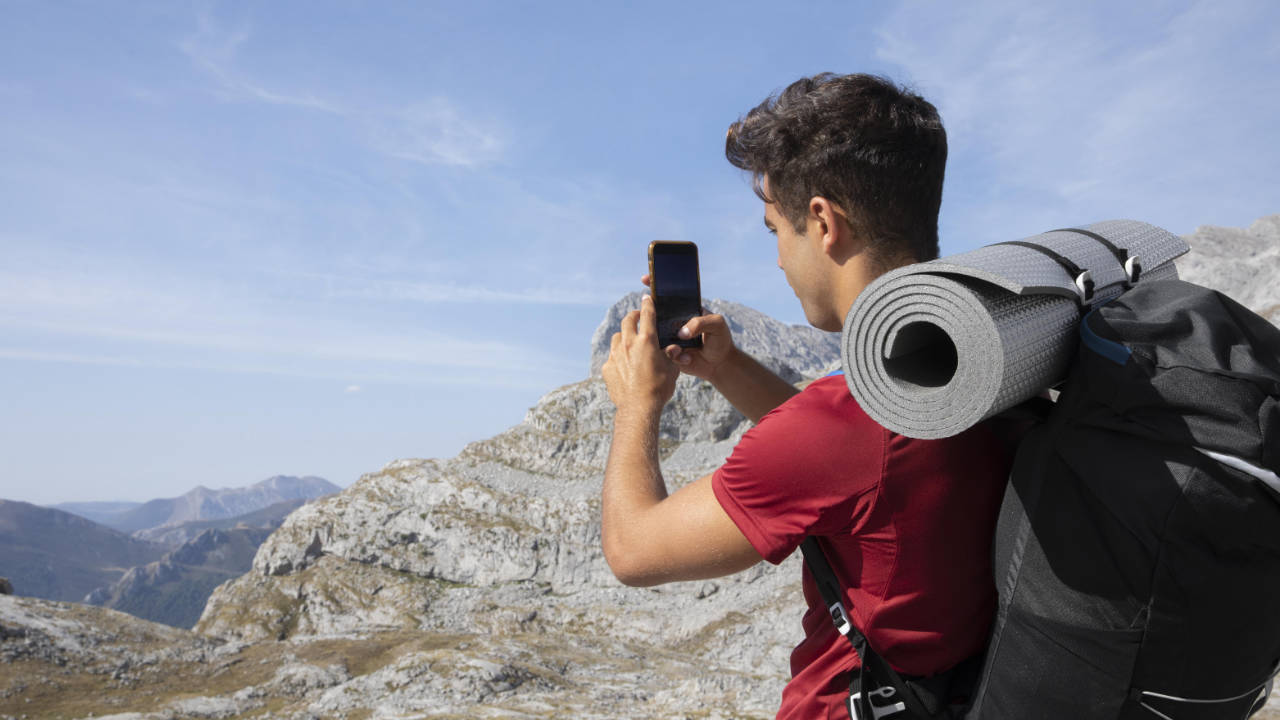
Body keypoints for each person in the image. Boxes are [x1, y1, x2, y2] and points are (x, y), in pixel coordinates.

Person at [600, 73, 1011, 720]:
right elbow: (854, 468)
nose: (779, 263)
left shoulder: (847, 423)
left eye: (774, 232)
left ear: (822, 222)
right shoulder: (970, 358)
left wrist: (638, 403)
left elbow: (633, 550)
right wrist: (730, 367)